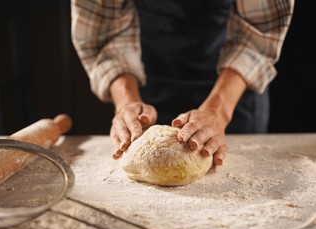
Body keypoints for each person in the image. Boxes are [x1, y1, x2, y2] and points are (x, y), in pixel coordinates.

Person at [71, 0, 294, 165]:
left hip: (235, 84)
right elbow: (105, 29)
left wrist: (219, 111)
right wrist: (126, 102)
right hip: (148, 70)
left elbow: (260, 32)